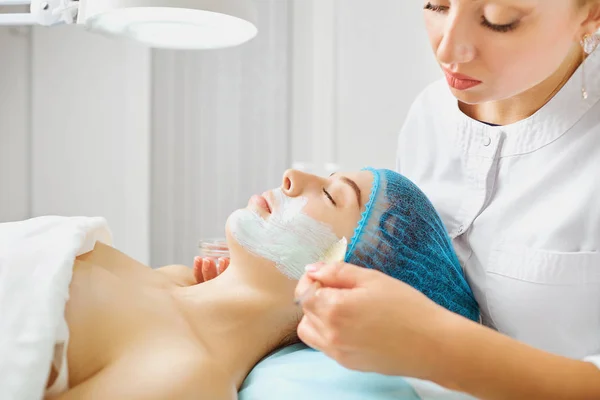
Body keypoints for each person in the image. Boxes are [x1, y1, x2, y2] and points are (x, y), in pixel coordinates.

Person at [197, 1, 600, 399]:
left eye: (499, 21)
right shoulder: (430, 116)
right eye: (436, 5)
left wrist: (436, 348)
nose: (447, 50)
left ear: (591, 12)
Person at [40, 167, 476, 399]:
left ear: (339, 283)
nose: (292, 176)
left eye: (329, 195)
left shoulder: (187, 379)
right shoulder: (172, 281)